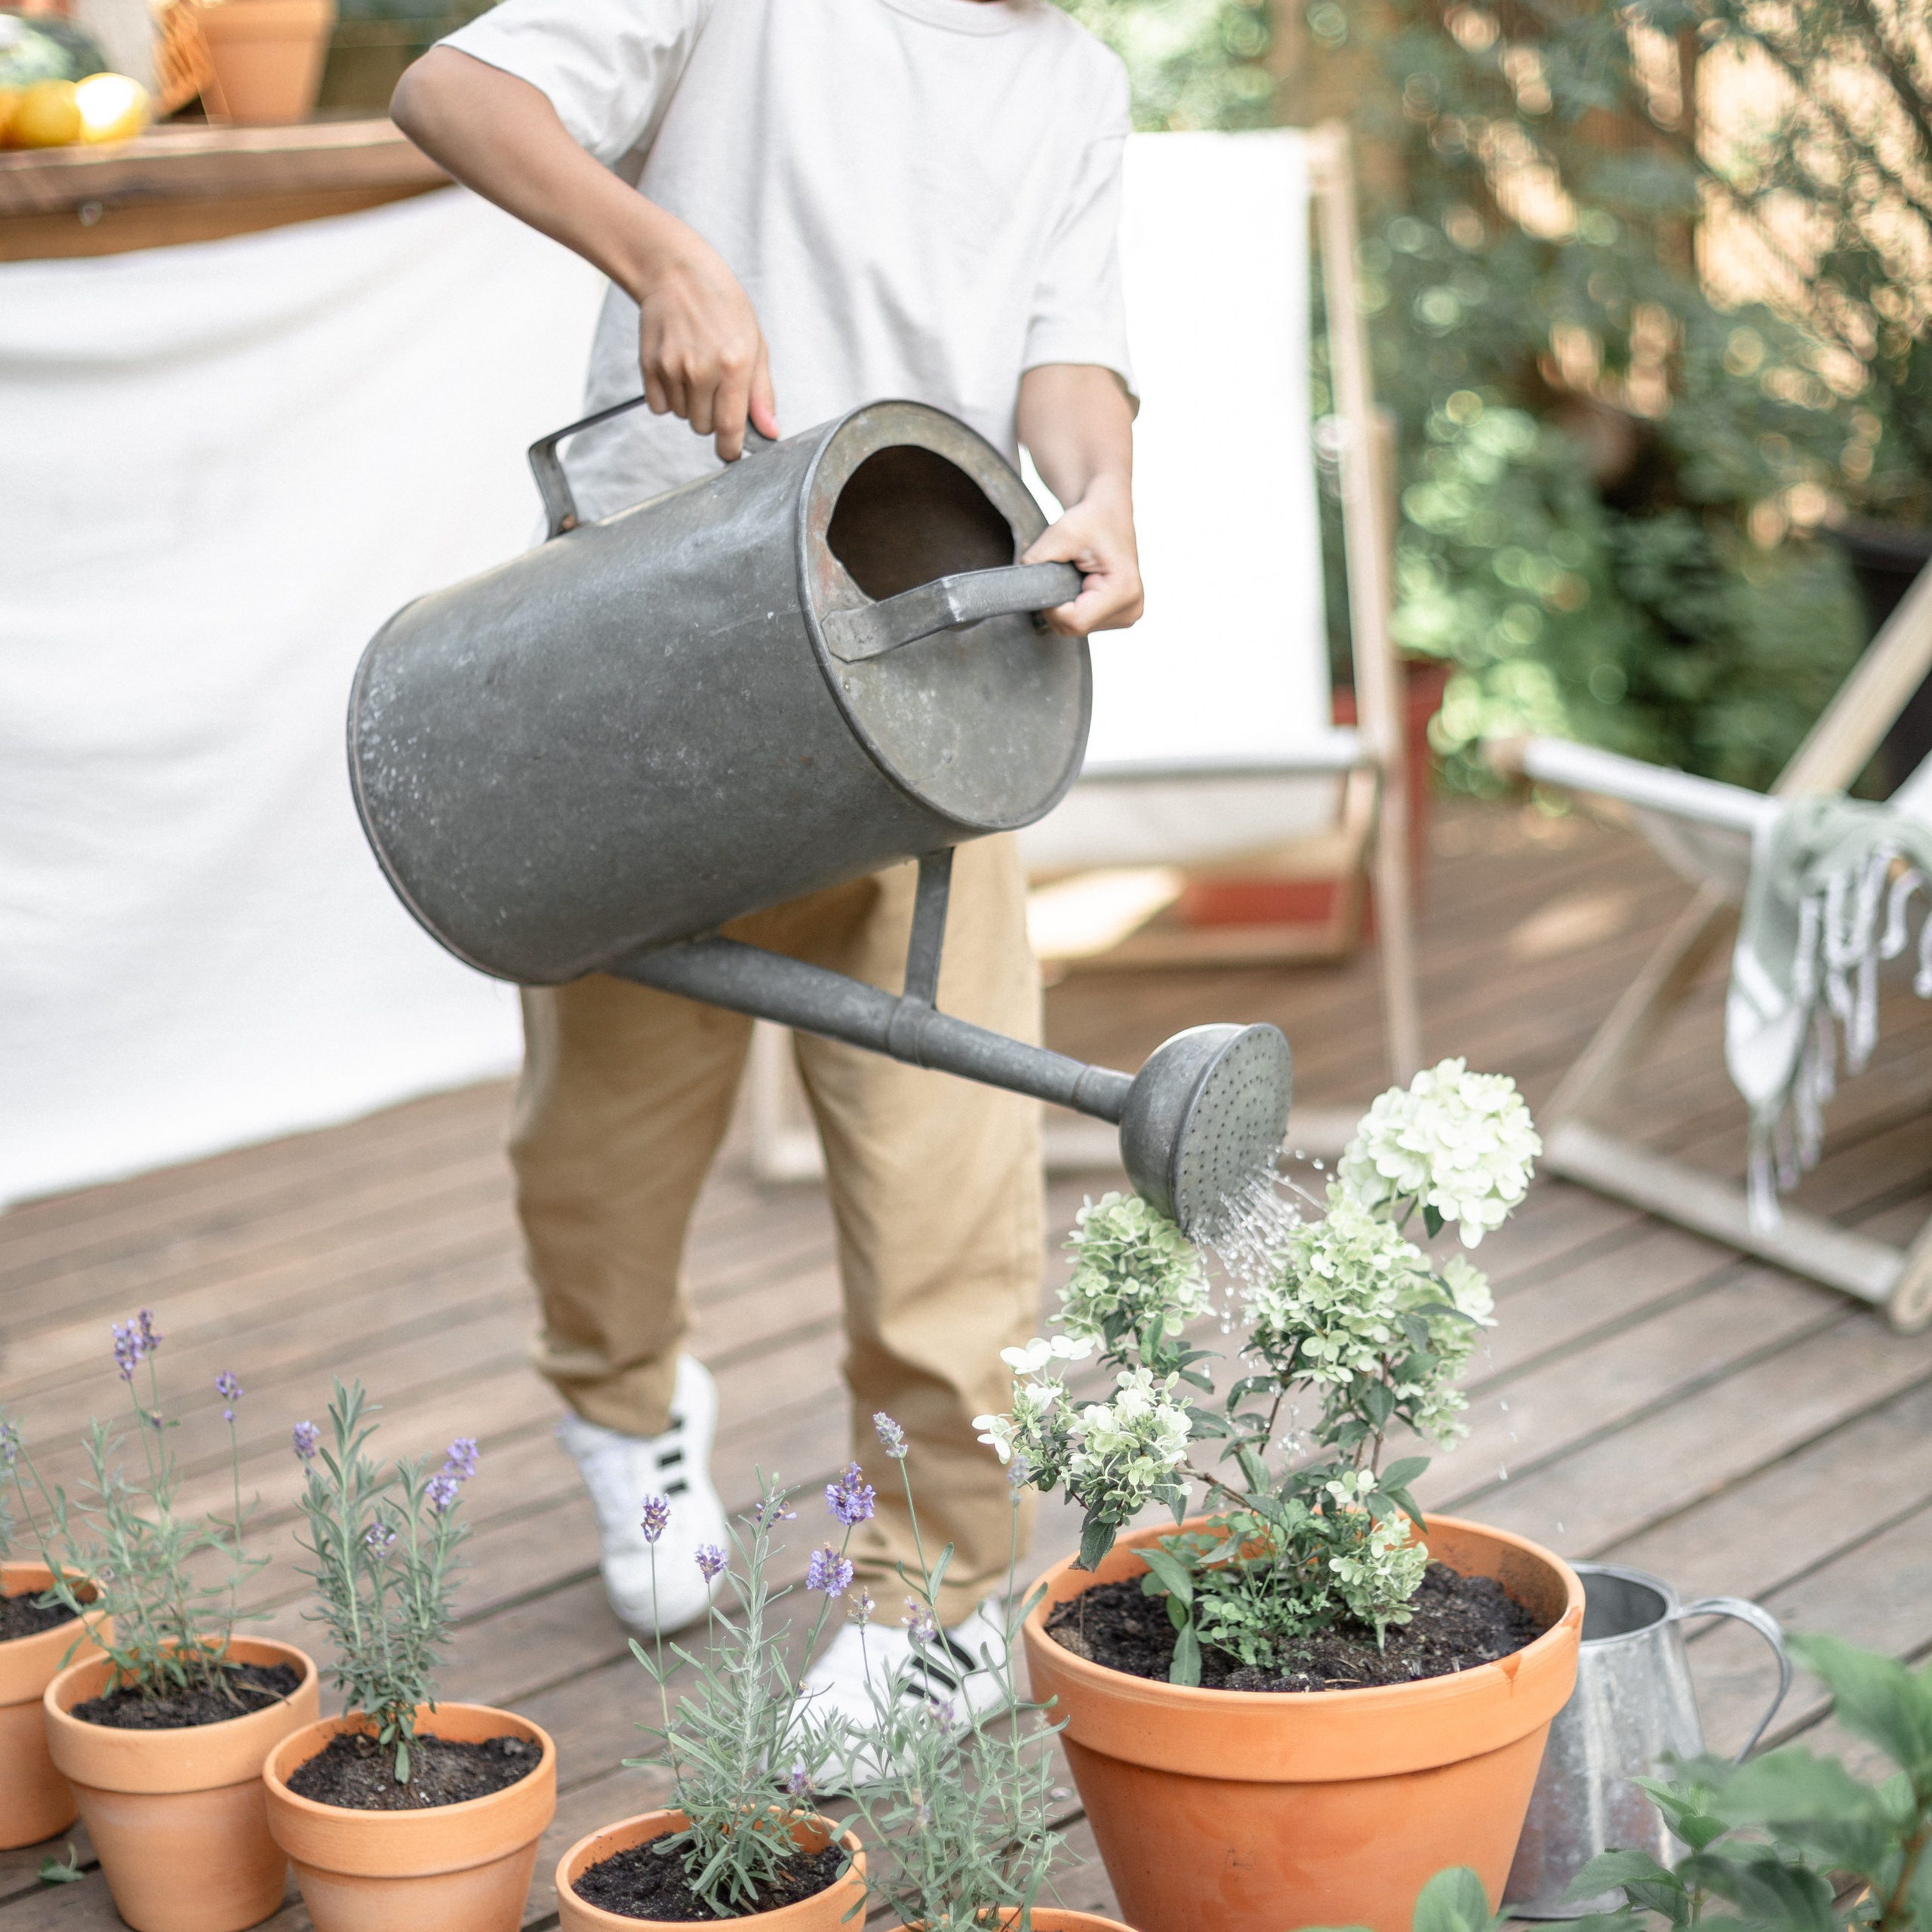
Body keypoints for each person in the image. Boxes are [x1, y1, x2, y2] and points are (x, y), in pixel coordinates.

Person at [390, 0, 1143, 1734]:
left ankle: (943, 1581)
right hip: (638, 657)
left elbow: (1066, 354)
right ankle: (622, 1399)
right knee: (595, 1159)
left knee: (948, 1170)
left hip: (914, 675)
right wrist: (662, 254)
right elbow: (452, 88)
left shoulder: (1076, 79)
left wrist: (1100, 488)